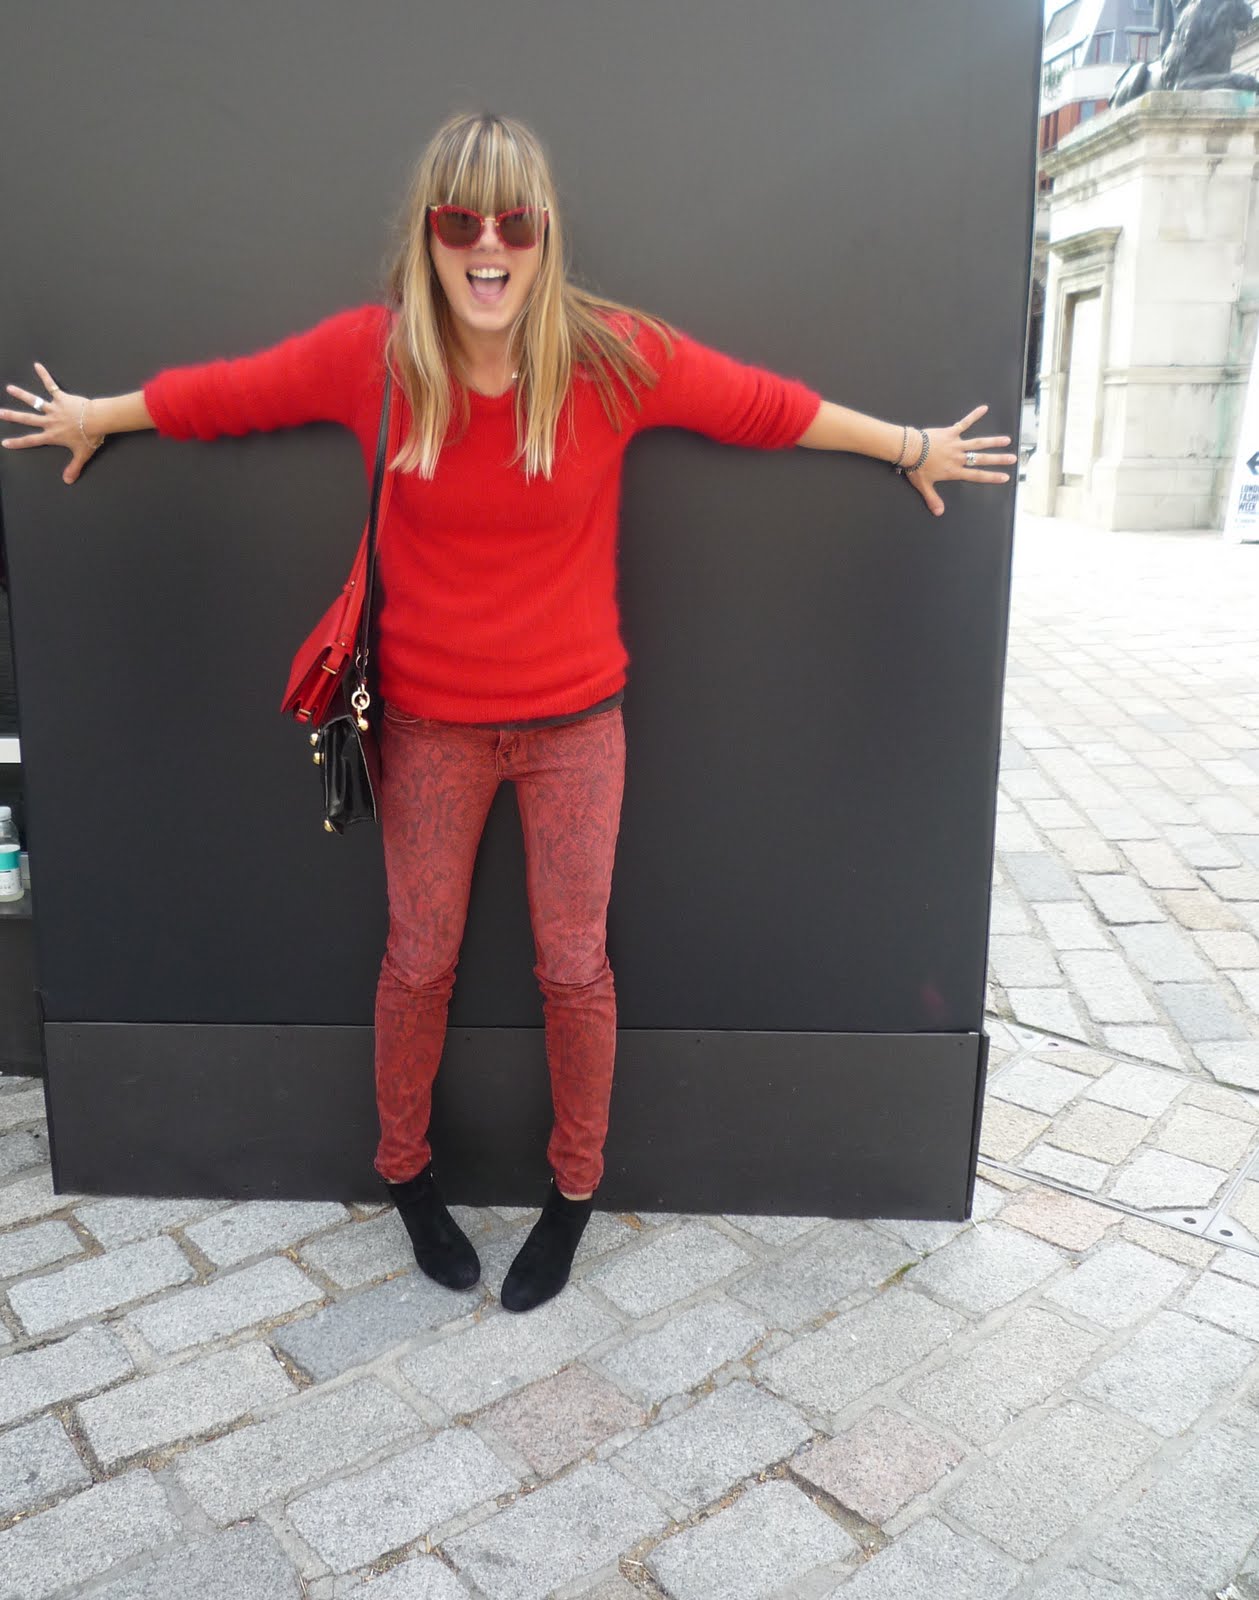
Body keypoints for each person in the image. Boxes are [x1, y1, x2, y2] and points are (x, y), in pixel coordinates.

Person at [0, 111, 1016, 1314]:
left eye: (514, 223)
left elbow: (765, 407)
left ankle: (573, 1189)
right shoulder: (375, 358)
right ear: (428, 234)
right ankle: (405, 1172)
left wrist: (908, 446)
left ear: (543, 234)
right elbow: (229, 395)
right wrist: (97, 417)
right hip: (427, 729)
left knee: (574, 968)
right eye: (460, 220)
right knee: (417, 962)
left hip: (576, 728)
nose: (488, 246)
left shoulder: (609, 358)